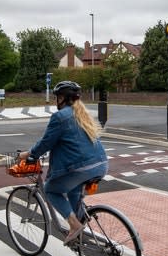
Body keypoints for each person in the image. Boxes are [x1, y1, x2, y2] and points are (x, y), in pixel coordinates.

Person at [19, 81, 108, 244]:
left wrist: (29, 154)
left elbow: (46, 142)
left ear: (62, 98)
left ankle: (74, 226)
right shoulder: (83, 114)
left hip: (80, 167)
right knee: (74, 191)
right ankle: (80, 231)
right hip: (101, 164)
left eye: (57, 97)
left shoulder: (60, 116)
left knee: (51, 190)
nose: (56, 101)